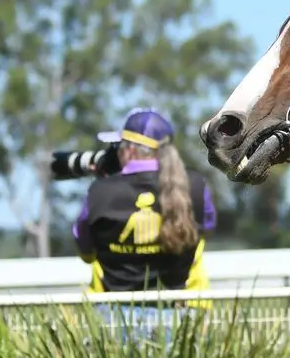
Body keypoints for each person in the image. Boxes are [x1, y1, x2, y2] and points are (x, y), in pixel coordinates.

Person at [72, 107, 217, 301]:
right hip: (178, 310)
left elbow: (85, 251)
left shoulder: (99, 192)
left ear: (130, 150)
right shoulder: (195, 185)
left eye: (119, 146)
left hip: (115, 313)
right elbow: (206, 229)